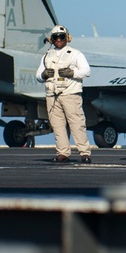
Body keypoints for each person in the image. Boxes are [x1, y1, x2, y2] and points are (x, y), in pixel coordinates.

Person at [36, 24, 92, 164]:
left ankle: (84, 153)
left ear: (67, 38)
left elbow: (86, 71)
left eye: (61, 37)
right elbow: (38, 75)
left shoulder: (75, 54)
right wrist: (43, 75)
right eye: (56, 37)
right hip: (52, 96)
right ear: (52, 39)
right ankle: (62, 153)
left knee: (77, 124)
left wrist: (72, 73)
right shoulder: (47, 55)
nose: (59, 39)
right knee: (57, 125)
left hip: (70, 94)